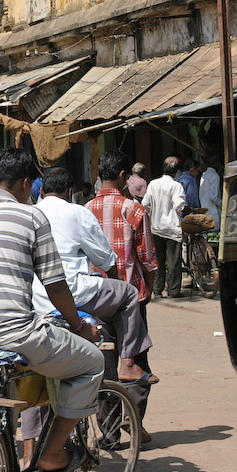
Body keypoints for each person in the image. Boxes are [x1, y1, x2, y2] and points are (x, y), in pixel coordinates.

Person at [0, 147, 104, 472]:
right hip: (16, 336)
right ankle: (51, 453)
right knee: (93, 362)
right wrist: (80, 327)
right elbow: (56, 286)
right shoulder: (32, 217)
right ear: (27, 183)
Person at [38, 167, 155, 383]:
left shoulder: (31, 213)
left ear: (42, 191)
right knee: (128, 293)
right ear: (69, 190)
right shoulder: (78, 212)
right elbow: (106, 260)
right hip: (73, 293)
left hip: (36, 299)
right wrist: (115, 285)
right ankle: (128, 363)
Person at [87, 150, 159, 441]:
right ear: (122, 176)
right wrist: (149, 288)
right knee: (137, 364)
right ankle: (133, 418)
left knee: (105, 367)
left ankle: (110, 434)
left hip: (95, 298)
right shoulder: (135, 210)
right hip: (132, 298)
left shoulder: (84, 209)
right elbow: (148, 259)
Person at [142, 156, 186, 298]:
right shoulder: (176, 186)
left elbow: (145, 205)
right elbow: (179, 205)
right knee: (173, 262)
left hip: (156, 228)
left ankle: (157, 289)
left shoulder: (153, 184)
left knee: (158, 261)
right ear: (176, 171)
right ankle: (173, 290)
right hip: (172, 229)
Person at [200, 157, 222, 228]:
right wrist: (222, 204)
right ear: (215, 163)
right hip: (213, 212)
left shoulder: (204, 175)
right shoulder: (215, 176)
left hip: (204, 210)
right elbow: (214, 197)